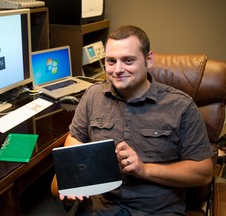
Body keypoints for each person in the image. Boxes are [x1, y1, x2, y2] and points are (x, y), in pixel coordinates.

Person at [53, 25, 213, 215]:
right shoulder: (92, 96)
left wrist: (144, 170)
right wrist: (76, 173)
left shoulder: (181, 106)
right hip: (101, 207)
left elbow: (203, 172)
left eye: (128, 60)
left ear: (148, 59)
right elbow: (74, 138)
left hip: (156, 210)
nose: (118, 70)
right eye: (111, 61)